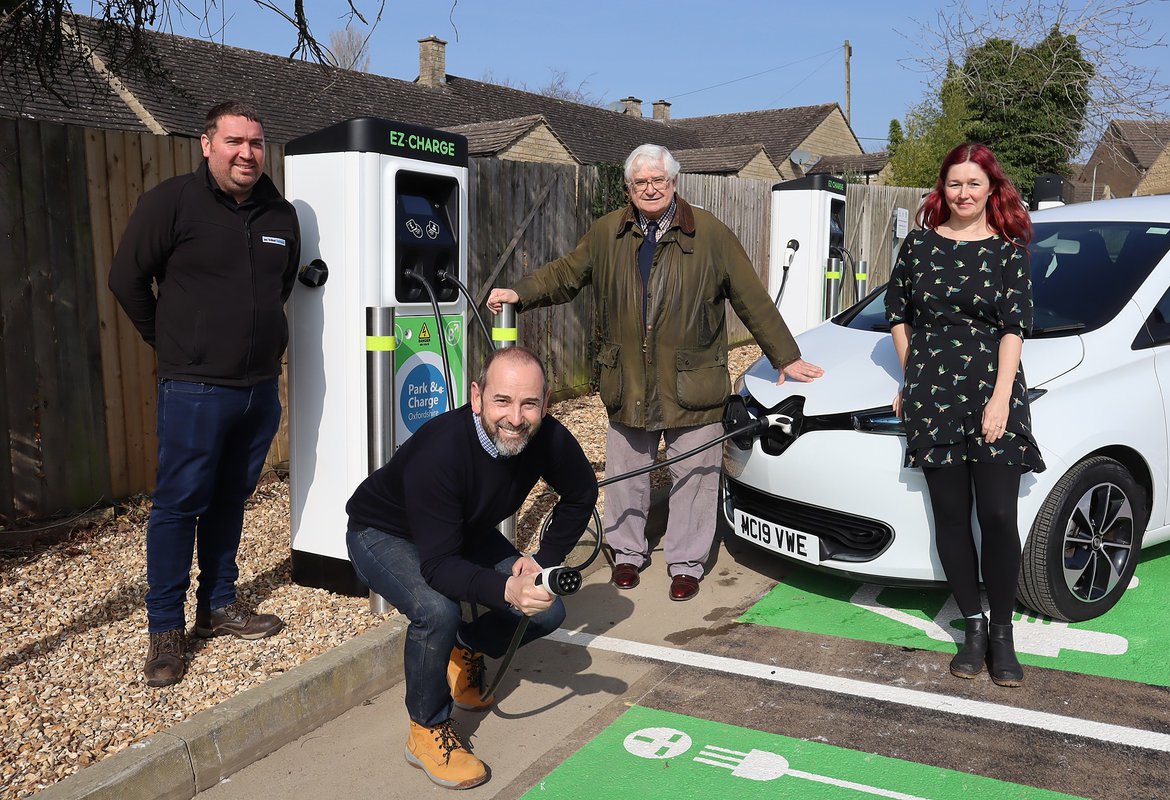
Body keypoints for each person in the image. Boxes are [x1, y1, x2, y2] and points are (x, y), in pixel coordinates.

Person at [488, 144, 823, 602]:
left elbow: (751, 297)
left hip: (694, 382)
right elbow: (566, 274)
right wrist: (520, 294)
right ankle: (627, 555)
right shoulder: (608, 233)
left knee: (695, 476)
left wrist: (785, 356)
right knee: (627, 475)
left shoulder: (711, 235)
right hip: (627, 380)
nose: (650, 188)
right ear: (629, 188)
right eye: (640, 182)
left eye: (658, 181)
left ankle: (685, 563)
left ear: (673, 183)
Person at [345, 346, 598, 790]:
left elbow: (581, 492)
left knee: (548, 610)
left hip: (462, 528)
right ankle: (426, 729)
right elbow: (440, 566)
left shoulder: (549, 438)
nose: (516, 418)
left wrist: (540, 563)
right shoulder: (440, 451)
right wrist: (506, 589)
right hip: (384, 532)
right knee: (436, 611)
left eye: (529, 403)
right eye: (503, 401)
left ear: (547, 401)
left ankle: (463, 649)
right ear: (477, 396)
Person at [109, 101, 301, 688]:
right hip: (194, 388)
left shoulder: (280, 214)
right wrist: (173, 346)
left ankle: (219, 605)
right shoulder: (172, 203)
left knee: (229, 501)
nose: (247, 153)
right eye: (235, 141)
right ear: (206, 144)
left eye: (257, 142)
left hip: (259, 388)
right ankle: (165, 628)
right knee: (178, 505)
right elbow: (126, 280)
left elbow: (281, 285)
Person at [884, 142, 1044, 688]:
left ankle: (1003, 632)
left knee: (998, 515)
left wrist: (1001, 398)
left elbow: (1013, 328)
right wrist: (912, 378)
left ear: (991, 189)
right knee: (951, 517)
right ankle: (971, 627)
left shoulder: (1007, 251)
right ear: (942, 189)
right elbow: (898, 315)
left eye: (974, 184)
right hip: (933, 394)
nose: (964, 193)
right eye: (955, 184)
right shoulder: (918, 245)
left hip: (991, 392)